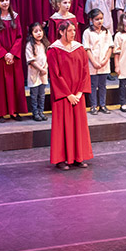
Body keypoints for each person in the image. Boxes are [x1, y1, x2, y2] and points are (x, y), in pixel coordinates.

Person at [47, 20, 93, 170]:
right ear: (61, 32)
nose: (73, 33)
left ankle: (78, 157)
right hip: (63, 96)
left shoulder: (79, 49)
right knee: (62, 126)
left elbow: (85, 71)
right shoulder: (54, 50)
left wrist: (79, 93)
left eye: (74, 30)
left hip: (77, 95)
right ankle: (61, 159)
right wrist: (68, 94)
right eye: (70, 31)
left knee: (78, 125)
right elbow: (55, 75)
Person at [0, 0, 27, 122]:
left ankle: (14, 111)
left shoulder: (15, 17)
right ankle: (0, 113)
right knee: (1, 85)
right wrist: (4, 54)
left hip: (14, 56)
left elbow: (19, 36)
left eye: (7, 0)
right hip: (0, 58)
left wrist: (12, 53)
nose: (5, 3)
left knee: (16, 83)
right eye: (2, 0)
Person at [83, 8, 113, 115]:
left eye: (101, 19)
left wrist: (105, 60)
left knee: (102, 85)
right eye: (97, 19)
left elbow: (110, 47)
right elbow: (86, 49)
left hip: (104, 64)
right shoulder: (87, 32)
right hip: (92, 64)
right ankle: (93, 105)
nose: (100, 21)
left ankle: (103, 105)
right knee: (93, 85)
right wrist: (94, 62)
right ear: (91, 20)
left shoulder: (106, 32)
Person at [26, 22, 49, 122]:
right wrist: (40, 69)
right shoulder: (30, 45)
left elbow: (47, 57)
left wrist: (45, 68)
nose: (39, 33)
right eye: (36, 31)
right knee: (34, 95)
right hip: (34, 73)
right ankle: (35, 113)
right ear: (31, 34)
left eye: (40, 31)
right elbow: (31, 60)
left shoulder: (44, 44)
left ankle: (41, 112)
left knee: (42, 95)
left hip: (43, 73)